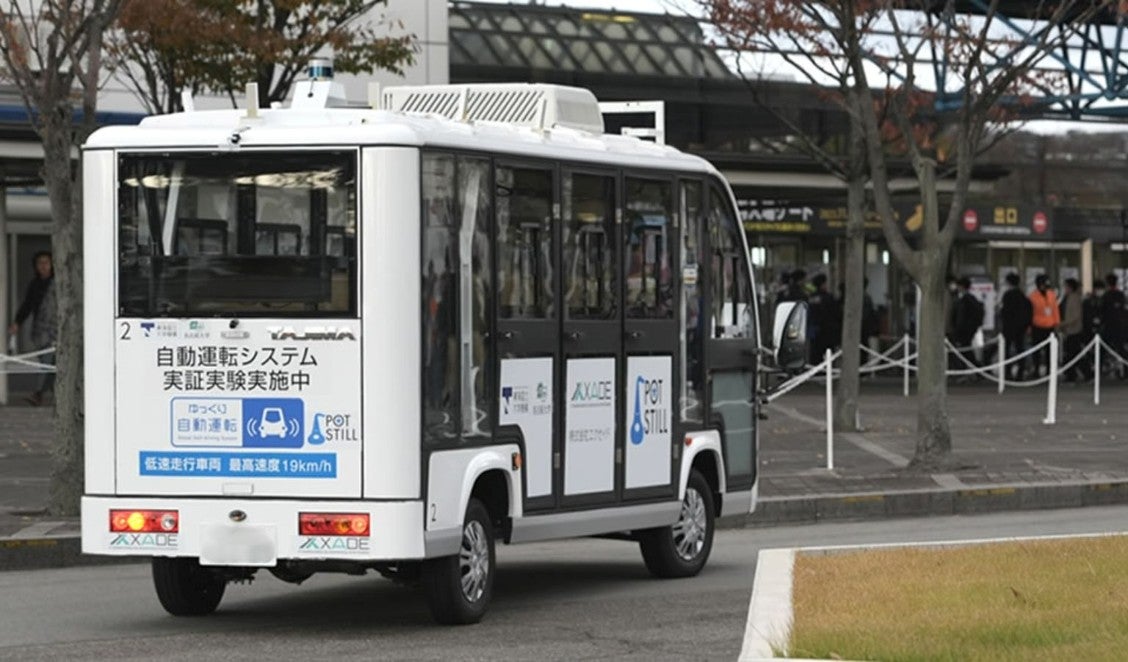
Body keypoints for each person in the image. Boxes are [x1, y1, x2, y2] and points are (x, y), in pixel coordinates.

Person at [8, 251, 56, 406]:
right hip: (40, 330)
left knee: (48, 362)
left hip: (55, 330)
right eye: (40, 263)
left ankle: (38, 393)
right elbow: (27, 305)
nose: (43, 266)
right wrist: (17, 322)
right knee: (47, 362)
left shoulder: (58, 283)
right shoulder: (35, 285)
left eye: (46, 262)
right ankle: (52, 394)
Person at [999, 272, 1033, 380]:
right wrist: (1026, 325)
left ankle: (1007, 372)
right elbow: (1029, 312)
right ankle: (1020, 372)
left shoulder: (1007, 296)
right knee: (1020, 349)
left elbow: (1004, 312)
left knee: (1006, 350)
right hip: (1020, 328)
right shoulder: (1023, 296)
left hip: (1009, 327)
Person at [951, 277, 984, 378]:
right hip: (968, 329)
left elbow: (961, 316)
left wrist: (958, 329)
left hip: (964, 330)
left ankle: (976, 371)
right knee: (966, 351)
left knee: (965, 352)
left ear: (961, 286)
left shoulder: (965, 299)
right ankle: (977, 371)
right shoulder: (970, 298)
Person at [1058, 278, 1089, 382]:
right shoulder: (1066, 298)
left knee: (1073, 354)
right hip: (1069, 330)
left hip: (1074, 330)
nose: (1064, 288)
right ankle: (1079, 374)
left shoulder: (1074, 298)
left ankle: (1075, 374)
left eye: (1066, 286)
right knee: (1073, 353)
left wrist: (1063, 324)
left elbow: (1075, 316)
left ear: (1070, 287)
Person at [1028, 274, 1060, 376]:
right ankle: (1036, 370)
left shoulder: (1052, 295)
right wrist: (1029, 327)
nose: (1044, 286)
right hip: (1037, 326)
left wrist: (1056, 323)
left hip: (1050, 326)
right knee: (1036, 350)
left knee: (1049, 351)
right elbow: (1030, 313)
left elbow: (1055, 310)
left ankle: (1049, 370)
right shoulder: (1032, 296)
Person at [1101, 273, 1127, 378]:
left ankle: (1099, 370)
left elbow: (1103, 311)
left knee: (1102, 349)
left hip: (1109, 326)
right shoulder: (1121, 295)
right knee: (1121, 350)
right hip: (1120, 326)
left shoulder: (1106, 296)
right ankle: (1126, 371)